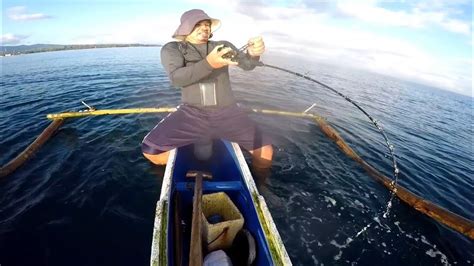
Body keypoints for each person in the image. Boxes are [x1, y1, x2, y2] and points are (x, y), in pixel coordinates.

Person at [141, 9, 273, 170]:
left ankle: (260, 187)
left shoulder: (222, 46)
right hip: (192, 112)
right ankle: (187, 168)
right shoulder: (172, 49)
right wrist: (209, 63)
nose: (204, 28)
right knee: (151, 150)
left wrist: (252, 54)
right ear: (185, 27)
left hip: (228, 112)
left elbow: (247, 65)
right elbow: (177, 78)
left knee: (265, 152)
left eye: (207, 25)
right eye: (198, 24)